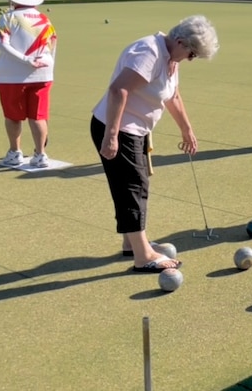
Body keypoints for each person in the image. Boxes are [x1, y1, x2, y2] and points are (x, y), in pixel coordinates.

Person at [91, 15, 219, 272]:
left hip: (135, 129)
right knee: (133, 187)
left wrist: (187, 130)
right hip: (118, 128)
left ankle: (131, 243)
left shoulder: (170, 57)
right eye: (192, 54)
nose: (190, 59)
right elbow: (118, 90)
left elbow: (173, 96)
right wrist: (112, 135)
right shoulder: (148, 53)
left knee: (132, 186)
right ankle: (143, 256)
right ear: (180, 42)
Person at [0, 0, 57, 168]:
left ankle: (15, 152)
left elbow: (1, 44)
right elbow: (52, 47)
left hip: (11, 75)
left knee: (13, 116)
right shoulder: (45, 19)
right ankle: (40, 154)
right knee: (38, 116)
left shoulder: (8, 17)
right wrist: (48, 70)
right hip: (43, 73)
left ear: (13, 0)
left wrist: (25, 59)